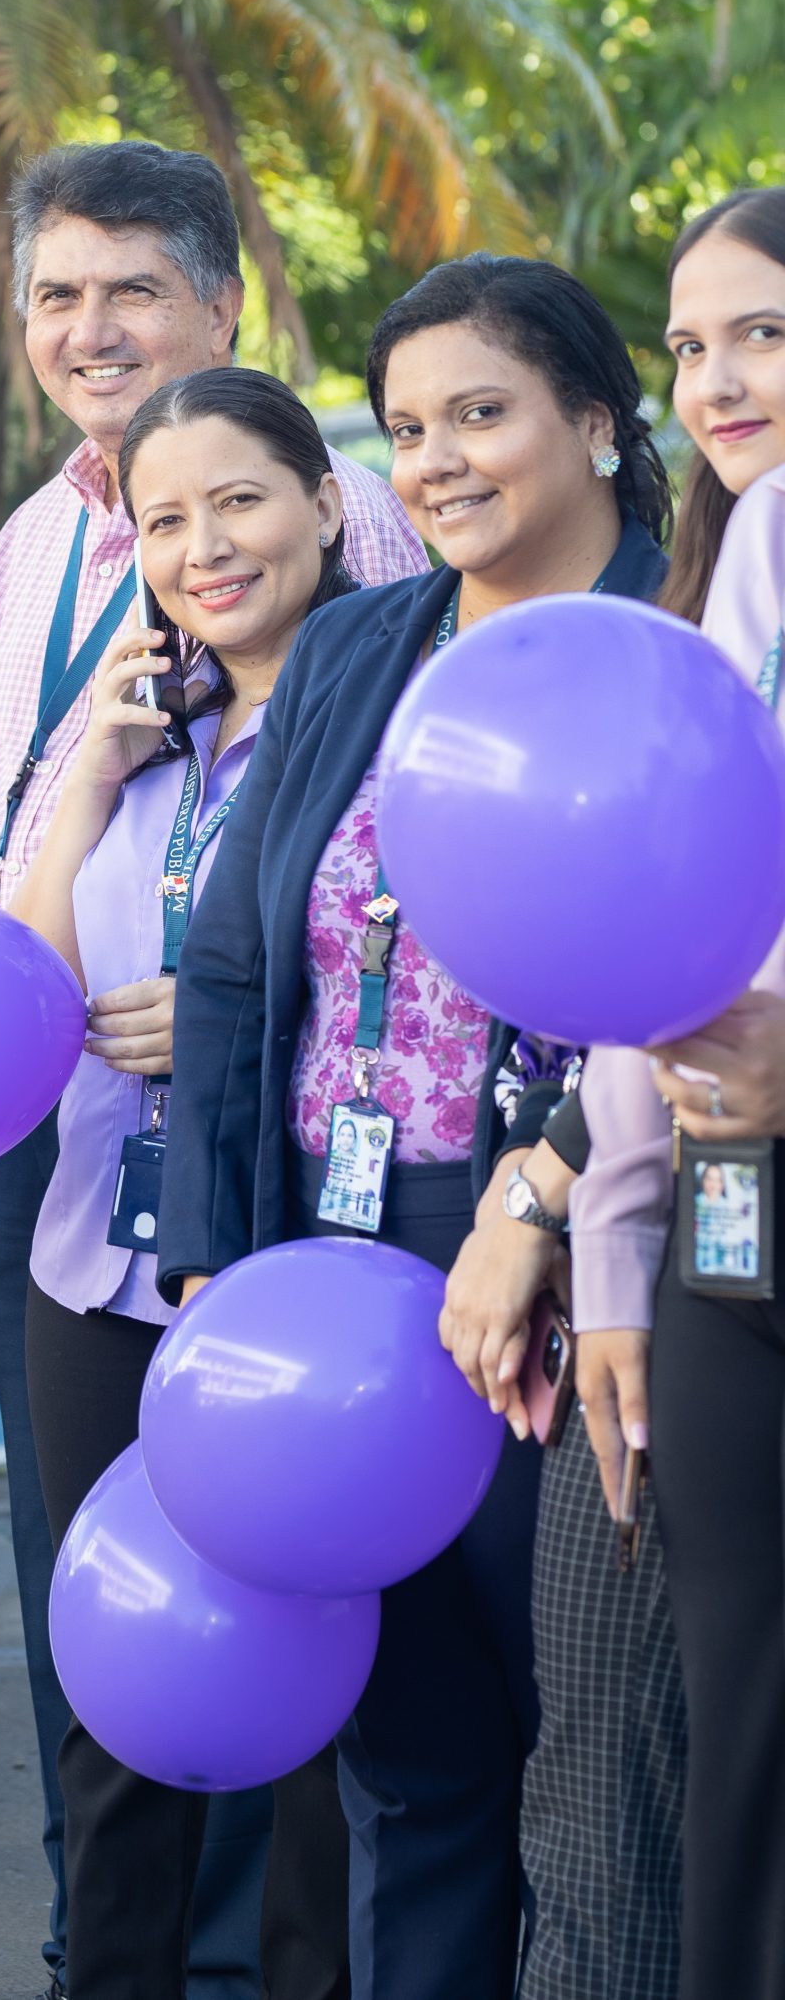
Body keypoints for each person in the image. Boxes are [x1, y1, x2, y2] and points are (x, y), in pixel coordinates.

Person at [0, 139, 424, 1996]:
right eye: (58, 292)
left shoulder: (370, 578)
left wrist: (221, 1006)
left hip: (288, 1205)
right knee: (96, 1626)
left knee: (284, 1633)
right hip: (72, 1178)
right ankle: (98, 1959)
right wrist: (86, 799)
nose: (89, 325)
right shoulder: (55, 543)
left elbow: (385, 907)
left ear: (224, 299)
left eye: (133, 288)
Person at [161, 256, 672, 2000]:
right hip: (338, 1251)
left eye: (484, 412)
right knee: (408, 1757)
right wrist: (226, 1259)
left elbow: (669, 967)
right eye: (409, 429)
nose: (441, 459)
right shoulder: (367, 641)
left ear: (594, 421)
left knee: (591, 1761)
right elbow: (236, 957)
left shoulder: (680, 639)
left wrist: (537, 1193)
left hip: (566, 1245)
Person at [7, 369, 358, 2000]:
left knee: (310, 1703)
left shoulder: (377, 720)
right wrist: (93, 766)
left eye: (242, 499)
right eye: (165, 518)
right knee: (111, 1674)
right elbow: (16, 990)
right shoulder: (153, 733)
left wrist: (223, 1021)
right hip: (100, 1260)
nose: (206, 544)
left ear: (326, 505)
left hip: (296, 1269)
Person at [547, 188, 785, 2000]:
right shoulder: (715, 580)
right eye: (692, 343)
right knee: (738, 1738)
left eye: (763, 331)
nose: (717, 379)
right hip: (720, 1227)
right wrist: (614, 1264)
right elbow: (653, 964)